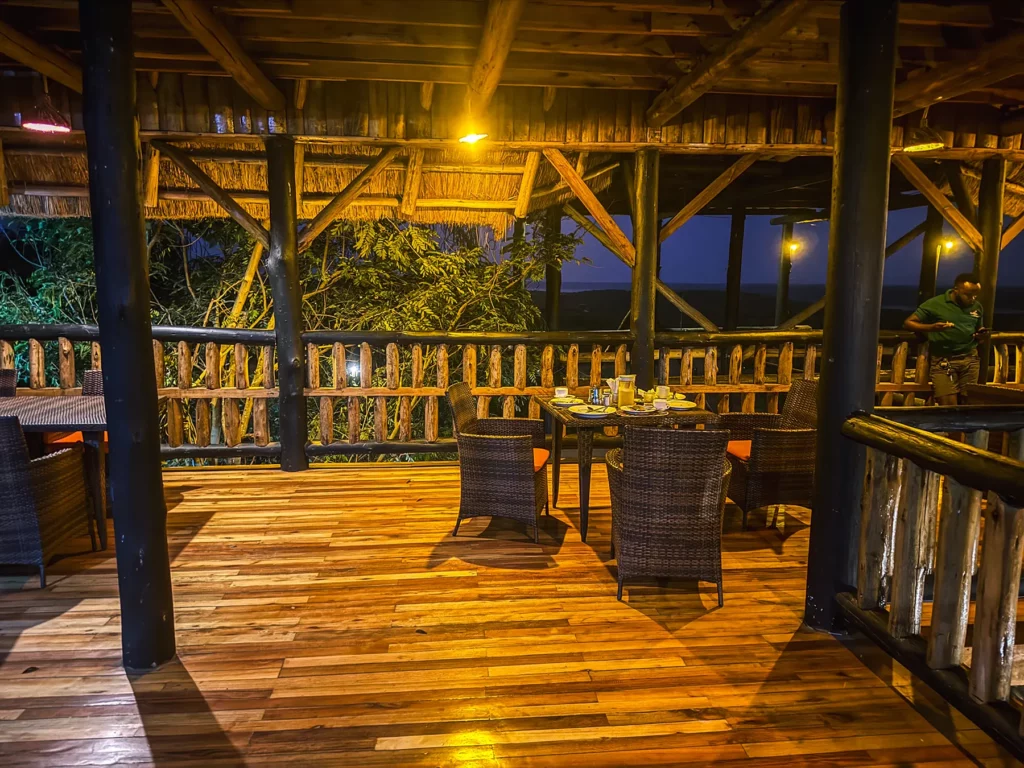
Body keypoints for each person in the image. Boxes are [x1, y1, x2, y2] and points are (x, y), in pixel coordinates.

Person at [903, 273, 988, 405]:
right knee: (948, 405)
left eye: (975, 295)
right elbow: (908, 323)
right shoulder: (935, 304)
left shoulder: (977, 307)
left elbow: (978, 328)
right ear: (956, 290)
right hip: (944, 361)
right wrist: (932, 328)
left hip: (970, 360)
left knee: (970, 403)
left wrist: (981, 335)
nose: (972, 299)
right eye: (968, 295)